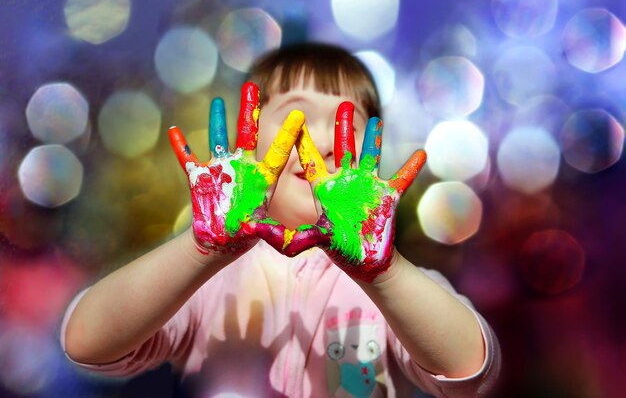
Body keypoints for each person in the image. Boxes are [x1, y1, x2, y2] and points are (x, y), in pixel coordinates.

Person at [60, 43, 501, 398]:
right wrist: (199, 250)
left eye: (348, 124)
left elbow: (470, 373)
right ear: (248, 136)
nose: (326, 142)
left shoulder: (392, 290)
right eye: (299, 117)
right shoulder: (207, 279)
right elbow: (87, 344)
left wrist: (385, 275)